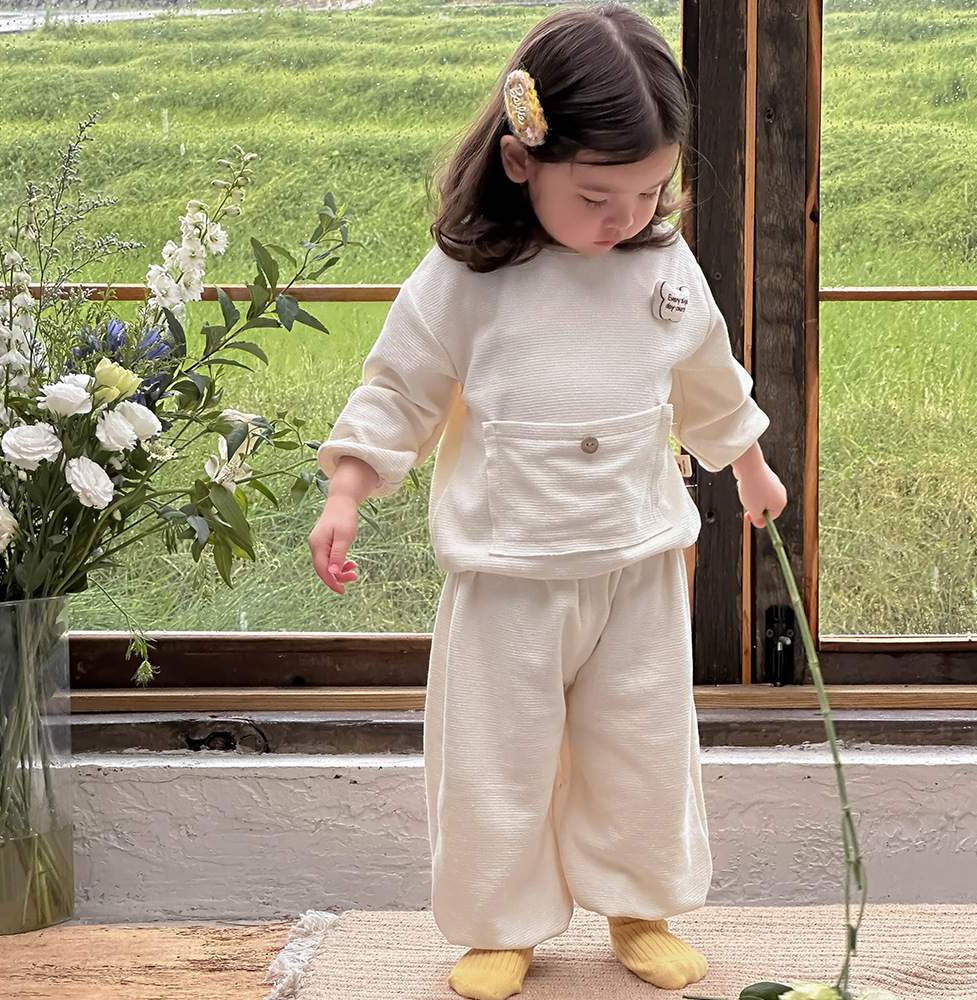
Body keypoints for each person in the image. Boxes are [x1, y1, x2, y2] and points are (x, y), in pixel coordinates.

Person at [309, 5, 787, 998]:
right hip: (507, 573)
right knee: (495, 758)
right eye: (598, 195)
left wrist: (745, 462)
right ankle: (501, 921)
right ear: (522, 160)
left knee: (642, 743)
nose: (625, 217)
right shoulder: (465, 280)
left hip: (635, 563)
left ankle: (636, 902)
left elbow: (705, 371)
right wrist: (350, 484)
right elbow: (398, 386)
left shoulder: (659, 265)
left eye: (652, 189)